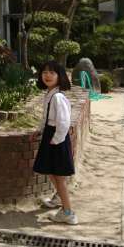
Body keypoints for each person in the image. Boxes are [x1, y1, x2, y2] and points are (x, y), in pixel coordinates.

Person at [33, 60, 78, 225]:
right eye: (44, 72)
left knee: (58, 177)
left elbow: (64, 122)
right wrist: (40, 131)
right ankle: (59, 197)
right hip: (50, 136)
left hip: (56, 138)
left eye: (52, 72)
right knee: (50, 171)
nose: (47, 75)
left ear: (60, 76)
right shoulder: (49, 94)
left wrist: (56, 140)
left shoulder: (58, 97)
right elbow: (45, 117)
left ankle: (68, 213)